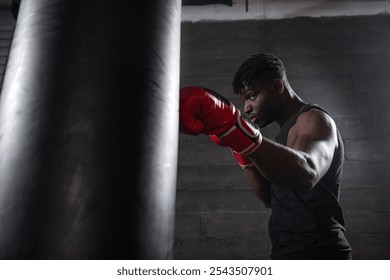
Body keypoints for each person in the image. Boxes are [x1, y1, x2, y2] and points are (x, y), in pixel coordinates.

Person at [179, 53, 352, 260]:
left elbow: (308, 173)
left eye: (252, 96)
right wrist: (238, 145)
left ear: (277, 87)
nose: (246, 107)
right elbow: (269, 197)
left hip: (321, 254)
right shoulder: (281, 138)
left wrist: (241, 134)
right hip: (284, 251)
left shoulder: (315, 120)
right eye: (243, 100)